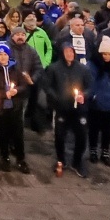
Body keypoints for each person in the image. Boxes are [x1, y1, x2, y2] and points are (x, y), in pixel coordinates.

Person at [43, 43, 86, 177]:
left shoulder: (82, 69)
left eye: (71, 52)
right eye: (67, 52)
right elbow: (47, 86)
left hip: (78, 109)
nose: (69, 54)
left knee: (81, 136)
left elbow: (90, 86)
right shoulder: (54, 68)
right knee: (60, 136)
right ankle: (61, 159)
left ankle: (77, 161)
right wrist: (57, 97)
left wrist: (83, 95)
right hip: (61, 108)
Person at [87, 37, 110, 167]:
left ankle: (105, 151)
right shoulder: (92, 65)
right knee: (94, 128)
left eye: (109, 54)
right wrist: (91, 96)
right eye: (104, 54)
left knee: (107, 130)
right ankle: (93, 150)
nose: (106, 57)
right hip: (95, 102)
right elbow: (89, 81)